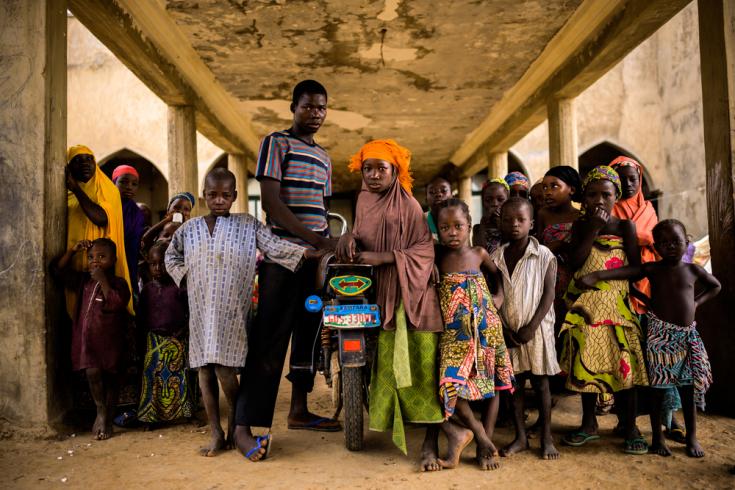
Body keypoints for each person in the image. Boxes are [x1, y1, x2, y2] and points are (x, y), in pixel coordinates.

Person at [337, 139, 471, 472]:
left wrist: (382, 257)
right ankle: (447, 433)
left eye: (381, 168)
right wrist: (350, 238)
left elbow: (423, 252)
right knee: (392, 371)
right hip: (379, 294)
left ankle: (449, 434)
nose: (373, 175)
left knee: (420, 374)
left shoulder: (409, 206)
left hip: (411, 297)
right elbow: (362, 233)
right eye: (367, 168)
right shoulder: (364, 199)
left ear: (396, 171)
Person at [166, 168, 318, 457]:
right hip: (200, 311)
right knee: (204, 371)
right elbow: (170, 255)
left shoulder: (248, 225)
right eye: (212, 195)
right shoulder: (189, 229)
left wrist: (310, 252)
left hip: (232, 312)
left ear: (235, 196)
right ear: (204, 196)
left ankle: (239, 426)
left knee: (225, 370)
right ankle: (216, 433)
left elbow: (276, 247)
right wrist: (184, 276)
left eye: (225, 195)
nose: (219, 201)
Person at [233, 79, 340, 461]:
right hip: (281, 259)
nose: (316, 113)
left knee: (309, 333)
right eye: (308, 106)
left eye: (322, 107)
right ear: (293, 107)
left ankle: (298, 410)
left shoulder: (325, 157)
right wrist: (315, 238)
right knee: (269, 339)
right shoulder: (275, 143)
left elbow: (322, 211)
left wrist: (326, 243)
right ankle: (243, 426)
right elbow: (273, 204)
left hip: (314, 265)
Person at [579, 219, 721, 458]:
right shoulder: (654, 269)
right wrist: (599, 276)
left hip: (686, 337)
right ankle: (657, 436)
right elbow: (629, 272)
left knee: (687, 389)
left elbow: (715, 286)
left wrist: (696, 302)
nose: (670, 247)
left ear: (686, 242)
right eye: (664, 243)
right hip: (659, 337)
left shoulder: (693, 270)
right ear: (655, 248)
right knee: (657, 390)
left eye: (676, 241)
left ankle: (692, 437)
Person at [559, 165, 649, 455]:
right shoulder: (582, 226)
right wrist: (594, 228)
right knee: (586, 360)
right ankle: (588, 423)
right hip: (586, 306)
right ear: (583, 198)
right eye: (592, 194)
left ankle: (629, 425)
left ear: (616, 197)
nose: (599, 200)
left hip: (617, 304)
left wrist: (600, 276)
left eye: (606, 194)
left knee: (624, 362)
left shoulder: (625, 227)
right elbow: (574, 262)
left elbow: (636, 269)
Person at [435, 198, 512, 470]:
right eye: (444, 227)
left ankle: (485, 446)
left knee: (492, 385)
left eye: (458, 226)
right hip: (456, 335)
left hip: (487, 329)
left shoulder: (479, 253)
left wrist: (499, 296)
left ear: (469, 225)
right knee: (450, 384)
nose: (452, 232)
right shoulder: (438, 256)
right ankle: (478, 434)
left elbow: (497, 275)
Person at [492, 198, 559, 460]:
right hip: (509, 330)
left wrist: (532, 326)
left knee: (542, 384)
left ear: (531, 223)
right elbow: (495, 294)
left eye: (521, 219)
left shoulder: (543, 254)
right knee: (515, 385)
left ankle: (547, 437)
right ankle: (521, 437)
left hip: (537, 330)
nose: (514, 224)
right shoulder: (497, 257)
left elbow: (549, 294)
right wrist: (503, 326)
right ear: (500, 223)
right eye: (508, 220)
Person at [52, 238, 131, 440]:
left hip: (111, 343)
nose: (95, 261)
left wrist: (102, 280)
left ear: (114, 260)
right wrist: (73, 251)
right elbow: (58, 271)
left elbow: (115, 303)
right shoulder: (83, 282)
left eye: (102, 257)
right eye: (91, 257)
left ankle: (108, 418)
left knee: (112, 379)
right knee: (92, 372)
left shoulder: (119, 283)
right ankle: (101, 411)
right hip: (88, 343)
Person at [65, 145, 133, 316]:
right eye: (78, 160)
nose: (85, 163)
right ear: (69, 167)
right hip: (76, 258)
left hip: (102, 264)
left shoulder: (107, 189)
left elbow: (101, 218)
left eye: (89, 159)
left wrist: (76, 189)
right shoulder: (65, 192)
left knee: (104, 309)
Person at [136, 241, 194, 426]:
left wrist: (183, 331)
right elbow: (142, 317)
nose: (158, 268)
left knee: (180, 378)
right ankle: (151, 417)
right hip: (154, 341)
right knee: (152, 377)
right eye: (153, 264)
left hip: (177, 340)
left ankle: (187, 414)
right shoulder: (147, 290)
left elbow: (190, 313)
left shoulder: (179, 289)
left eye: (162, 263)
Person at [112, 165, 145, 296]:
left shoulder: (137, 214)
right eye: (123, 182)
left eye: (134, 184)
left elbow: (135, 244)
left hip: (129, 264)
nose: (129, 187)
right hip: (105, 262)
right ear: (114, 182)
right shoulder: (105, 207)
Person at [472, 179, 509, 254]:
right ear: (482, 203)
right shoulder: (478, 229)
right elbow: (478, 250)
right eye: (488, 200)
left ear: (508, 202)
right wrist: (484, 223)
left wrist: (500, 224)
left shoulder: (511, 226)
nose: (494, 204)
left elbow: (511, 246)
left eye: (500, 200)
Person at [425, 176, 452, 242]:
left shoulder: (460, 218)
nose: (438, 194)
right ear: (426, 199)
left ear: (452, 196)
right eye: (432, 192)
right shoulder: (419, 221)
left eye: (444, 191)